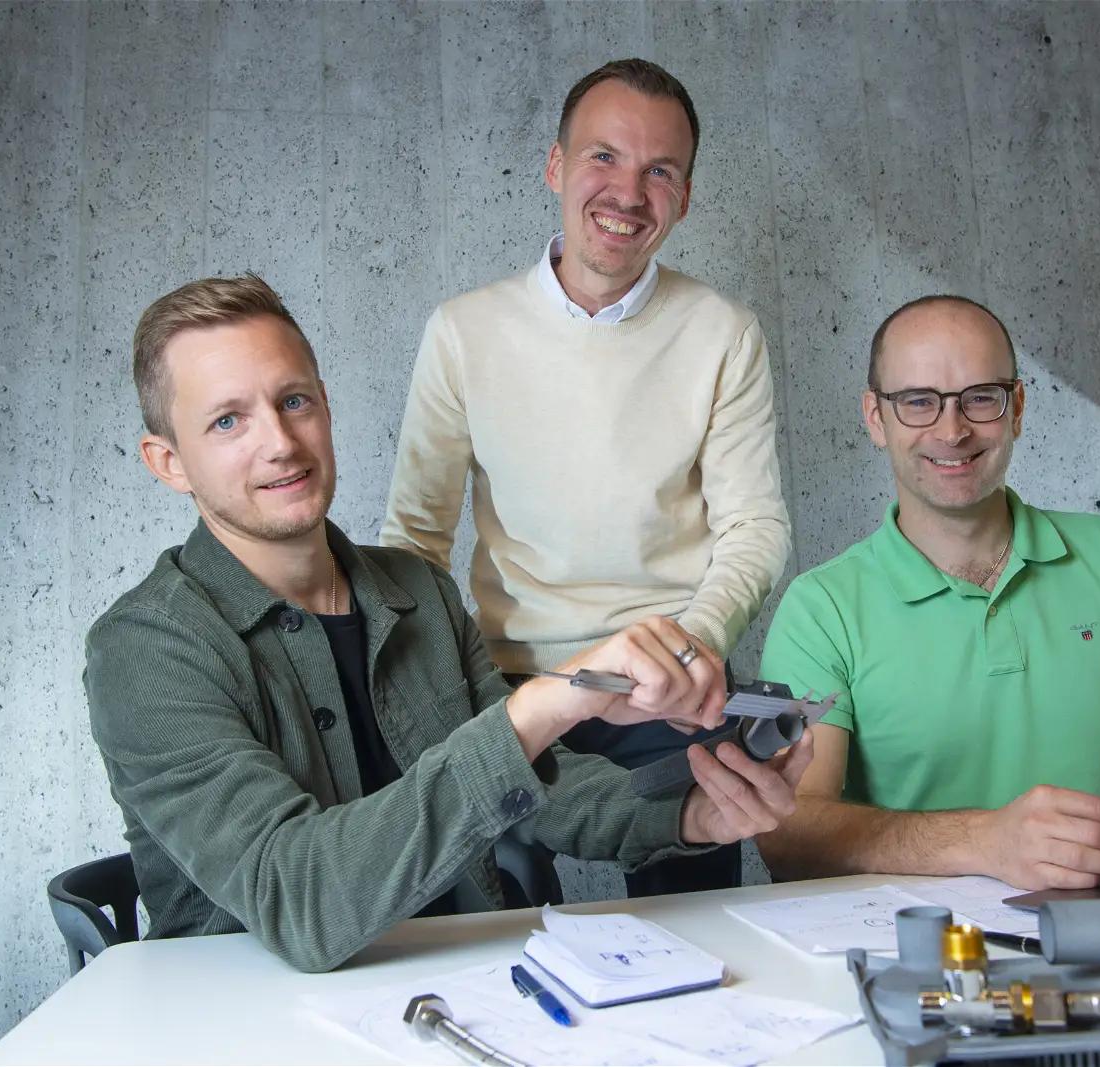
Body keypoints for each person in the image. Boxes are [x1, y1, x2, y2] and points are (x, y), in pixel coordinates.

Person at [84, 274, 810, 973]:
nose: (279, 441)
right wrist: (545, 702)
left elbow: (546, 790)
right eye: (228, 421)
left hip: (462, 989)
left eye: (293, 400)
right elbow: (302, 901)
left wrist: (694, 816)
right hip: (249, 1017)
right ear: (169, 462)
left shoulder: (416, 592)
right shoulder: (145, 650)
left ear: (326, 406)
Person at [381, 59, 790, 895]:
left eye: (660, 171)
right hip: (511, 684)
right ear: (555, 166)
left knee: (698, 915)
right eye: (604, 157)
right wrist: (438, 691)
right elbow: (413, 540)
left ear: (685, 197)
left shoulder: (725, 333)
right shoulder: (462, 331)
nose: (628, 193)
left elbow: (755, 526)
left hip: (667, 689)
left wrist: (691, 649)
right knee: (489, 918)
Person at [755, 294, 1100, 890]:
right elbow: (791, 833)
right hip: (913, 932)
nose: (952, 431)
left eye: (981, 397)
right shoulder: (820, 608)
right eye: (918, 402)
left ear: (1017, 409)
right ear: (876, 418)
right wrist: (986, 840)